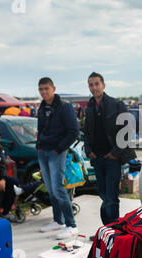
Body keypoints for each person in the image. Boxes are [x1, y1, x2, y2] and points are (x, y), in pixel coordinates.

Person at [83, 72, 136, 226]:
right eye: (91, 85)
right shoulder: (89, 107)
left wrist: (115, 153)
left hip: (112, 158)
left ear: (103, 85)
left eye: (96, 84)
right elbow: (86, 132)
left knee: (111, 198)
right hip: (96, 158)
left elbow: (127, 130)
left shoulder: (117, 104)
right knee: (103, 196)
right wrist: (88, 151)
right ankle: (107, 229)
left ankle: (113, 232)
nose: (94, 88)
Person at [36, 77, 79, 240]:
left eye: (46, 88)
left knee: (59, 188)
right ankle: (58, 220)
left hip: (56, 152)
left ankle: (71, 225)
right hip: (43, 151)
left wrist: (59, 149)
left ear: (53, 88)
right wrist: (38, 145)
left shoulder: (64, 106)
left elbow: (74, 131)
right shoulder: (42, 106)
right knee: (50, 188)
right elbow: (40, 128)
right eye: (41, 89)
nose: (44, 92)